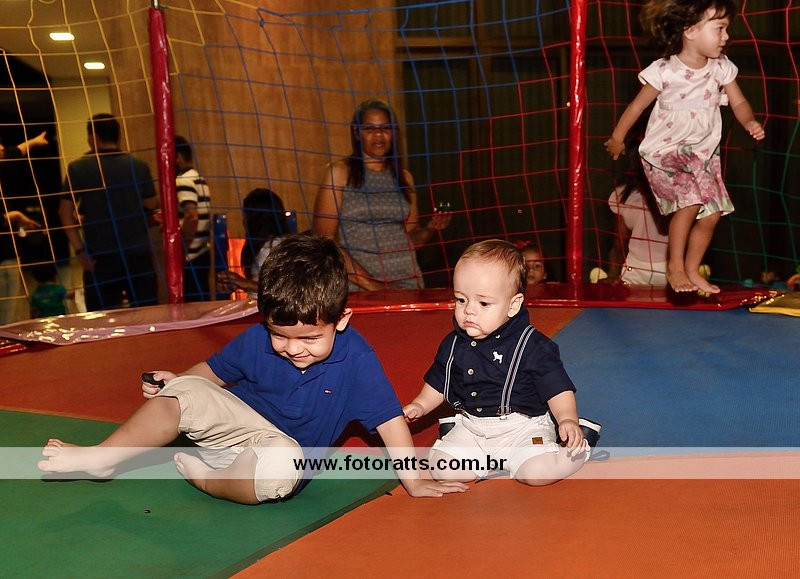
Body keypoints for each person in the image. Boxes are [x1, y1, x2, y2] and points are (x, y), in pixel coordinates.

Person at [38, 233, 468, 504]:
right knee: (182, 392)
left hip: (275, 459)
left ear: (341, 320)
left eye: (309, 339)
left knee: (283, 467)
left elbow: (390, 422)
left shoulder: (357, 360)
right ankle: (104, 459)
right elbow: (212, 373)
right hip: (232, 434)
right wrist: (178, 383)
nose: (292, 349)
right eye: (280, 335)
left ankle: (210, 482)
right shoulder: (259, 339)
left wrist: (413, 480)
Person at [403, 240, 600, 486]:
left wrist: (567, 418)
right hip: (474, 427)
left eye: (483, 303)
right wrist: (420, 404)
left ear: (513, 305)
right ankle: (464, 440)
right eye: (461, 300)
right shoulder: (454, 343)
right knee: (442, 469)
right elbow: (439, 380)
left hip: (523, 428)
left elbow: (557, 388)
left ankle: (580, 448)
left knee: (537, 474)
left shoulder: (532, 345)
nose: (469, 311)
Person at [604, 0, 764, 294]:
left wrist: (749, 121)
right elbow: (637, 106)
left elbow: (739, 101)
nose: (726, 36)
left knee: (712, 214)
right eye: (720, 29)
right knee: (689, 203)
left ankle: (692, 269)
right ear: (690, 31)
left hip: (702, 156)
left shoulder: (721, 68)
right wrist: (618, 137)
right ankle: (675, 266)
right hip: (665, 153)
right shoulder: (665, 71)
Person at [313, 98, 450, 290]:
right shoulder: (339, 173)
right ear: (357, 133)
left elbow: (409, 239)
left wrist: (430, 229)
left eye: (385, 128)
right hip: (360, 287)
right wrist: (372, 285)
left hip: (406, 283)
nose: (378, 135)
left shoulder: (404, 178)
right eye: (370, 129)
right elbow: (323, 241)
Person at [58, 114, 159, 310]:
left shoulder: (78, 168)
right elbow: (151, 204)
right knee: (147, 315)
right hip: (137, 254)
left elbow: (64, 213)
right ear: (118, 136)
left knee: (102, 320)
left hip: (100, 258)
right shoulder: (138, 167)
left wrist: (80, 251)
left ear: (93, 137)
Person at [0, 132, 49, 324]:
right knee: (6, 317)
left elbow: (15, 151)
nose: (3, 147)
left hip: (9, 255)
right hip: (4, 259)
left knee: (9, 315)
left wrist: (34, 142)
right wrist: (15, 216)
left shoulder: (3, 171)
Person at [607, 145, 670, 286]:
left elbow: (620, 243)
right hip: (671, 268)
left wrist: (613, 275)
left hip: (636, 268)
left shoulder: (624, 196)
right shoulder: (681, 193)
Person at [216, 188, 290, 295]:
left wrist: (246, 283)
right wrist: (238, 282)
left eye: (245, 215)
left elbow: (282, 292)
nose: (243, 221)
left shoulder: (274, 249)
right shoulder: (271, 245)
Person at [175, 136, 212, 301]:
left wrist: (182, 248)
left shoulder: (183, 180)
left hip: (191, 256)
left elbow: (192, 216)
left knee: (192, 308)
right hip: (202, 251)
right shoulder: (198, 177)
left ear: (178, 156)